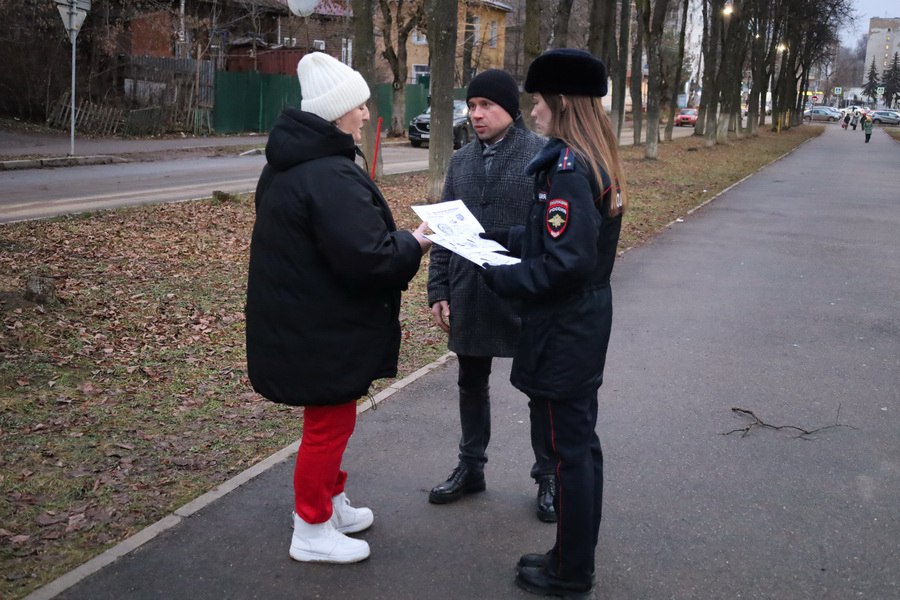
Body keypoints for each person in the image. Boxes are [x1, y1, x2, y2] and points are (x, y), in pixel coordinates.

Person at [245, 52, 431, 564]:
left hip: (308, 321)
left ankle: (329, 502)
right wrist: (415, 242)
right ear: (338, 111)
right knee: (326, 429)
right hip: (319, 328)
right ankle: (310, 528)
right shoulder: (327, 175)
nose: (368, 115)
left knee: (335, 421)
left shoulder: (295, 167)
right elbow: (369, 259)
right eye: (360, 105)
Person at [480, 49, 628, 599]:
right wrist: (495, 239)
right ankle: (572, 556)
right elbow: (555, 241)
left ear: (562, 102)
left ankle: (571, 572)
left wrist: (502, 276)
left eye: (538, 101)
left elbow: (566, 264)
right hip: (581, 325)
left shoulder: (568, 166)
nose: (533, 112)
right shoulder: (589, 160)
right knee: (580, 448)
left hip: (564, 330)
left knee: (570, 454)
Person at [426, 69, 557, 521]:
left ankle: (549, 477)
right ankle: (471, 467)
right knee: (470, 383)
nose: (476, 114)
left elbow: (551, 234)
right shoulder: (462, 160)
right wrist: (438, 289)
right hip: (471, 291)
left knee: (540, 390)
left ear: (510, 110)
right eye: (472, 105)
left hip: (525, 292)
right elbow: (444, 228)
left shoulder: (540, 155)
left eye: (487, 106)